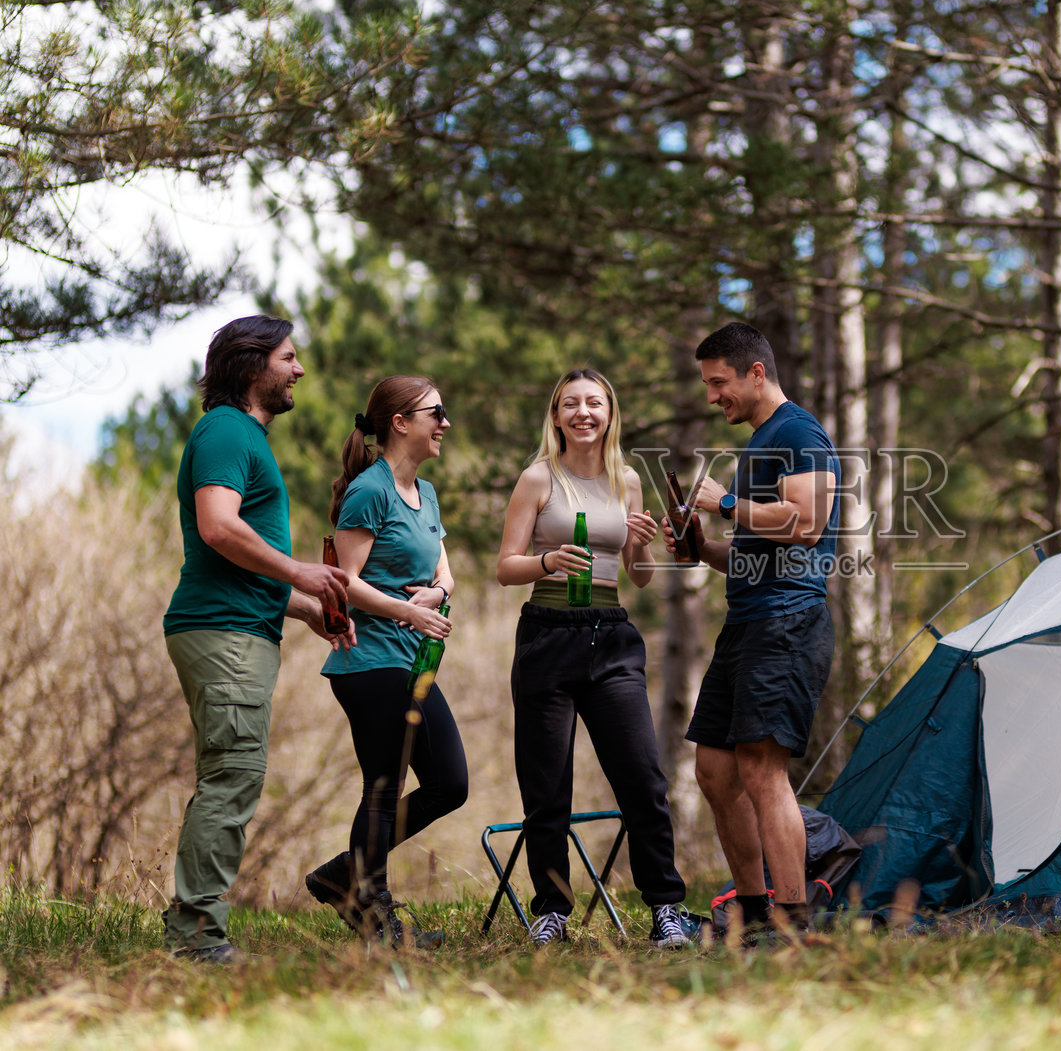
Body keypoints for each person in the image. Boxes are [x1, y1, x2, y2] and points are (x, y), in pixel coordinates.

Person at [161, 315, 353, 964]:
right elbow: (218, 528)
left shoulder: (242, 435)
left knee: (229, 774)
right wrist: (298, 570)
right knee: (232, 775)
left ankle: (193, 926)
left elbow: (237, 560)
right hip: (222, 632)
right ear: (251, 366)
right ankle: (196, 937)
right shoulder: (225, 430)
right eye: (288, 357)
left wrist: (302, 608)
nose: (299, 369)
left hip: (238, 625)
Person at [496, 368, 692, 948]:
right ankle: (552, 911)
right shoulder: (538, 478)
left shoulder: (626, 480)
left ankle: (666, 909)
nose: (583, 413)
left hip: (611, 636)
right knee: (546, 786)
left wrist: (642, 545)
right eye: (571, 404)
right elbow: (505, 566)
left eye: (594, 403)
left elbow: (640, 575)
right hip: (547, 634)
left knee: (643, 778)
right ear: (556, 417)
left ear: (610, 414)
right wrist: (548, 562)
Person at [666, 321, 840, 938]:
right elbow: (752, 552)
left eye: (720, 383)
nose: (713, 396)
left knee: (763, 770)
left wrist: (725, 505)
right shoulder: (762, 441)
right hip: (746, 622)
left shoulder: (797, 432)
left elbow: (807, 525)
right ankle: (753, 908)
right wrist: (701, 548)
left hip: (788, 622)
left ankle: (792, 920)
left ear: (756, 372)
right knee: (715, 771)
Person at [304, 377, 468, 948]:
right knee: (383, 788)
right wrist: (408, 610)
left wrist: (436, 595)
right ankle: (375, 917)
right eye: (435, 412)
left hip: (412, 660)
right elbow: (344, 582)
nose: (445, 423)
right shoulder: (369, 491)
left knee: (449, 784)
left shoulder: (425, 493)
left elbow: (445, 572)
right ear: (400, 422)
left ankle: (342, 875)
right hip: (369, 663)